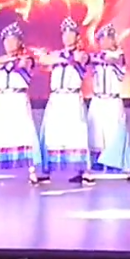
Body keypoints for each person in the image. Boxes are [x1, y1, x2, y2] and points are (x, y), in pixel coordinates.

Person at [0, 22, 45, 185]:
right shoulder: (0, 60)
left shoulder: (26, 59)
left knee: (24, 132)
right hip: (2, 99)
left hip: (18, 99)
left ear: (19, 42)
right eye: (6, 41)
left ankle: (32, 172)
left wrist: (10, 60)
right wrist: (6, 59)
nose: (9, 44)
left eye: (12, 40)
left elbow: (21, 65)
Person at [39, 18, 93, 184]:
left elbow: (79, 59)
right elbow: (43, 60)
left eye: (71, 34)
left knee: (76, 133)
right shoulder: (57, 54)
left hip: (72, 98)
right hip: (56, 98)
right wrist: (60, 57)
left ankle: (84, 171)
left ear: (77, 36)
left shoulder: (82, 54)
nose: (67, 37)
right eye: (65, 34)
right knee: (52, 134)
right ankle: (47, 171)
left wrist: (61, 57)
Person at [87, 24, 130, 179]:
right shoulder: (95, 57)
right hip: (97, 99)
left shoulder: (119, 56)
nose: (104, 42)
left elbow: (113, 60)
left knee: (113, 131)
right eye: (101, 39)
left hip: (112, 100)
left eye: (107, 39)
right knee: (96, 132)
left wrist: (92, 58)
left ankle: (115, 162)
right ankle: (98, 162)